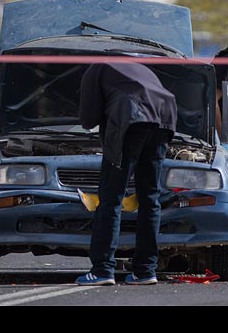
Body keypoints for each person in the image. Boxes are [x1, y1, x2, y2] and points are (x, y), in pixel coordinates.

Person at [76, 62, 177, 286]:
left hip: (131, 119)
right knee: (150, 198)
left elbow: (87, 120)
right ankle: (145, 271)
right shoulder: (137, 67)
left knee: (111, 198)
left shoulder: (95, 69)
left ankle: (102, 270)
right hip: (165, 117)